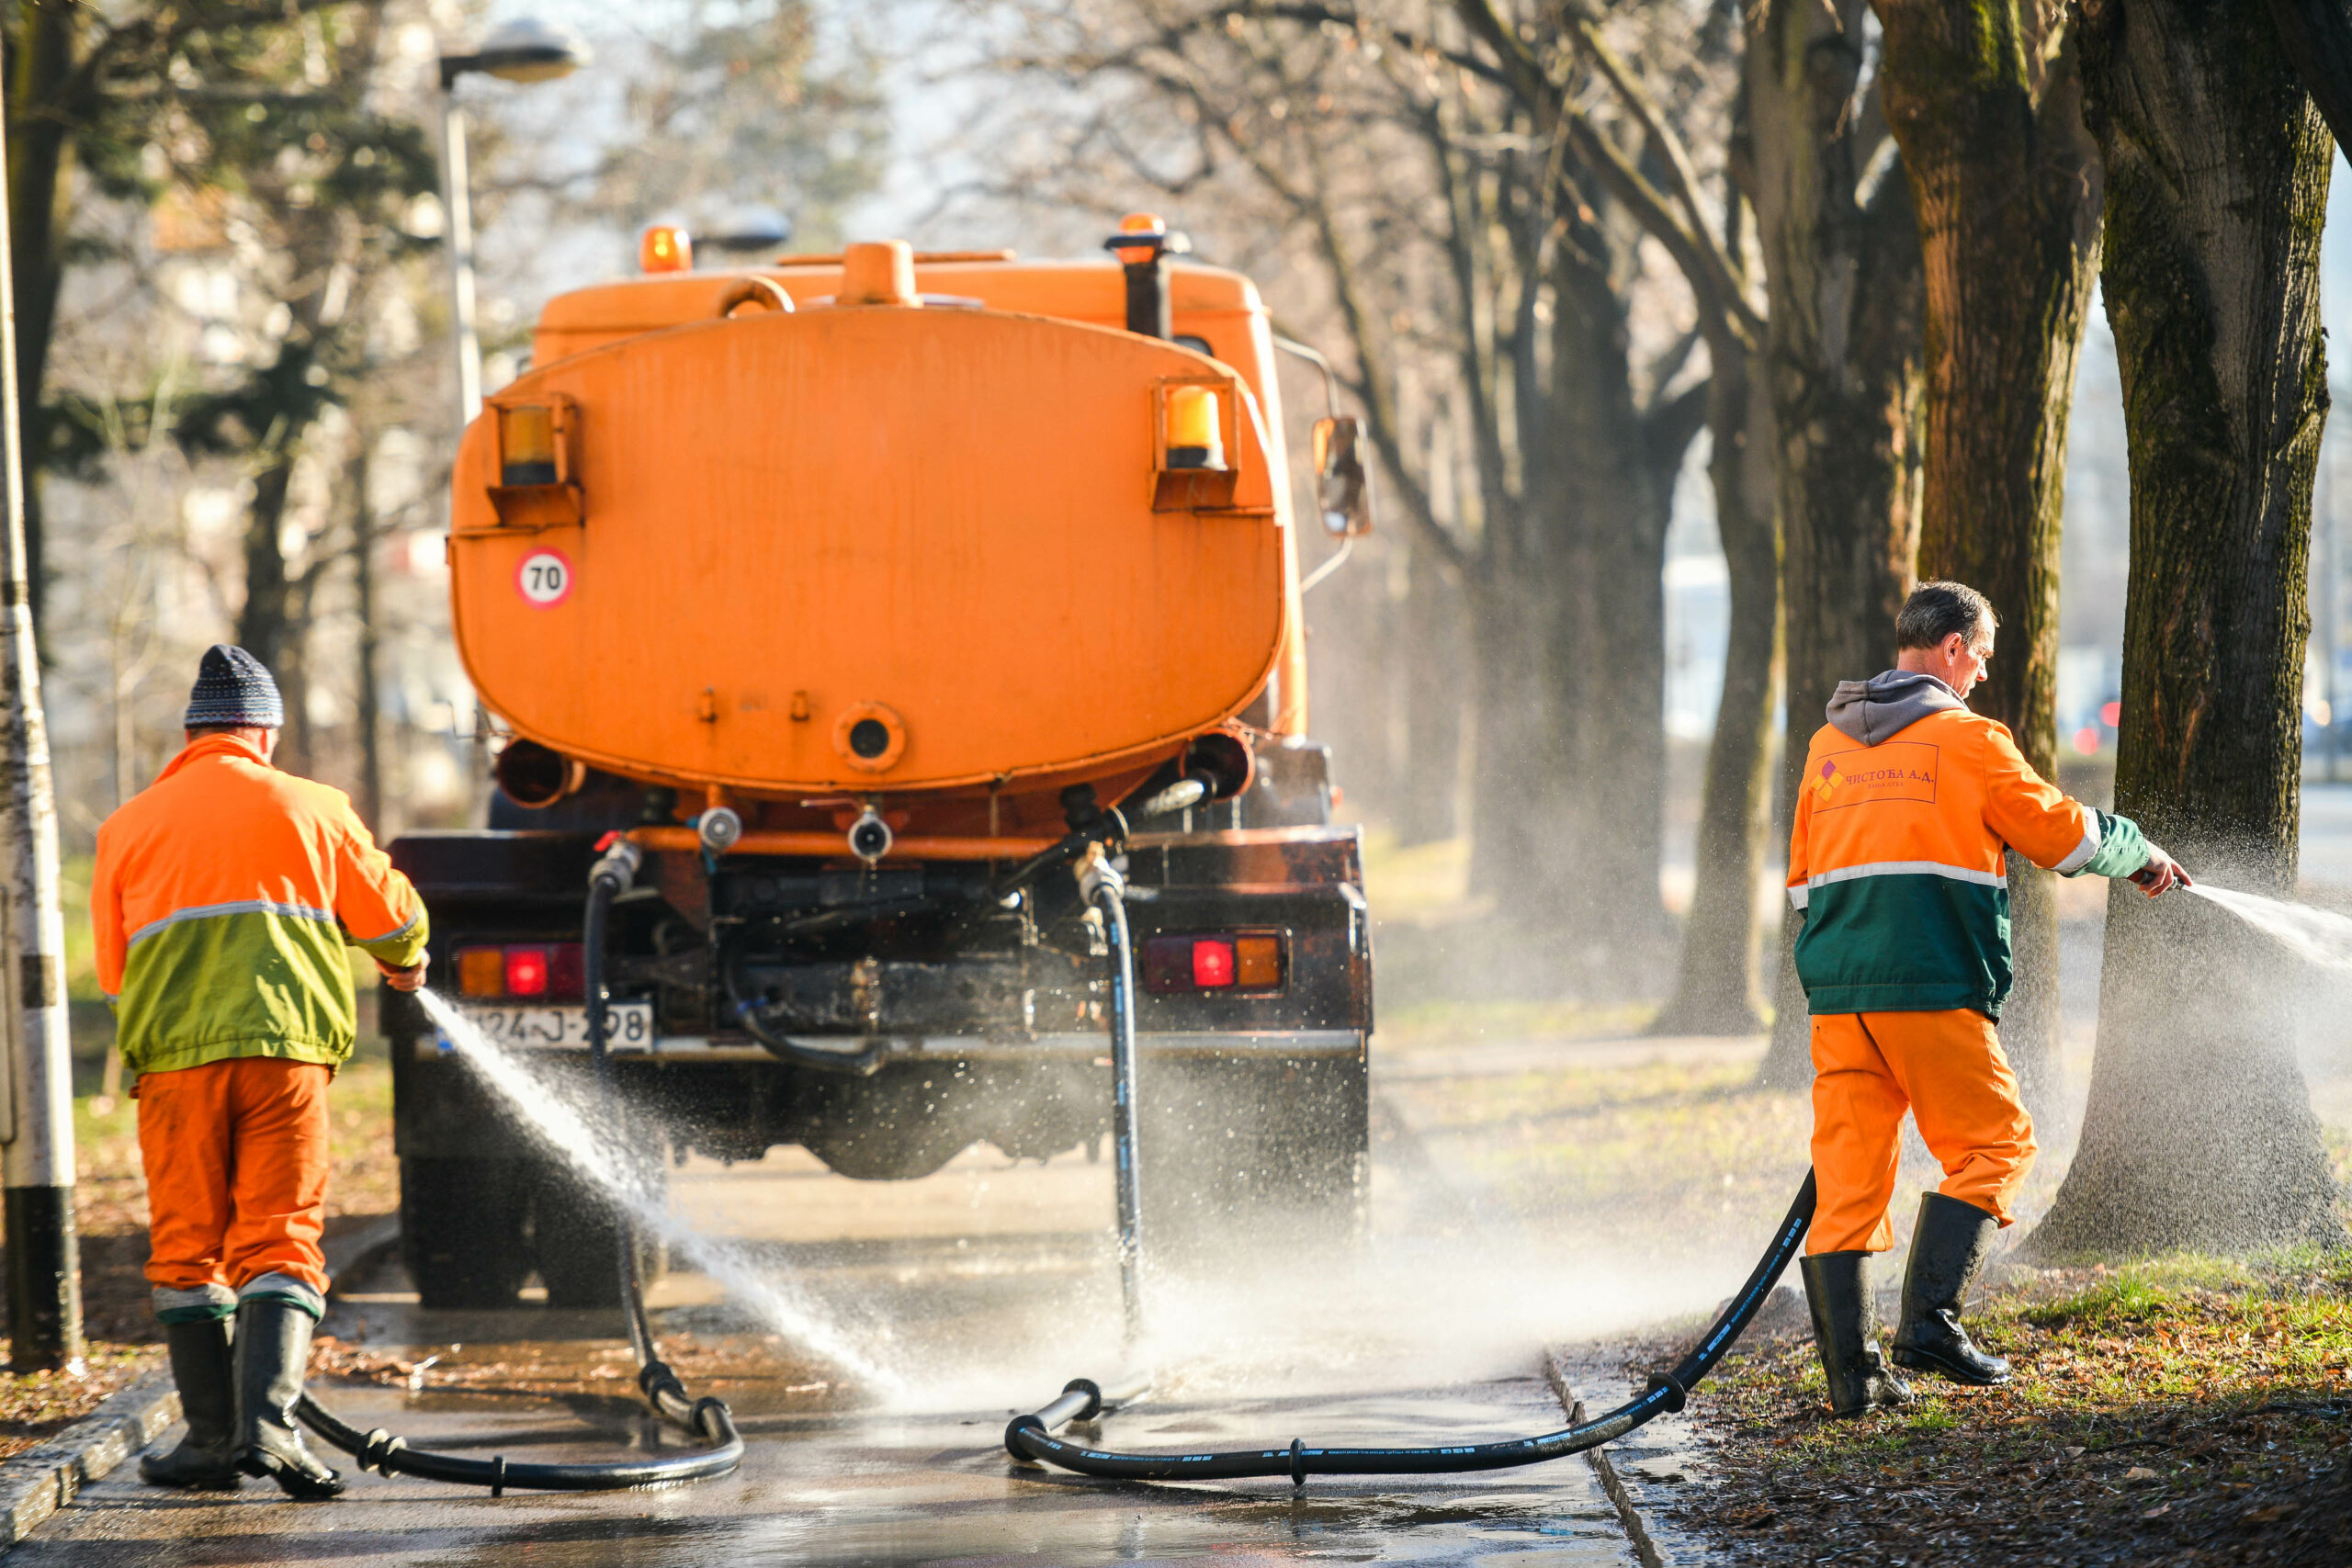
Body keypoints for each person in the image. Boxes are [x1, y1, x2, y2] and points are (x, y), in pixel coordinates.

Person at [1786, 582, 2187, 1416]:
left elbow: (1801, 887)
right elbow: (2061, 832)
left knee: (1849, 1177)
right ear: (1955, 649)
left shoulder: (1828, 747)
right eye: (1984, 660)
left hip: (1838, 996)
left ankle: (1853, 1382)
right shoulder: (1968, 740)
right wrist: (2138, 849)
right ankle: (1929, 1323)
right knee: (1996, 1142)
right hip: (1930, 983)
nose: (1982, 677)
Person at [93, 647, 430, 1497]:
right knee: (281, 1235)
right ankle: (272, 1433)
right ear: (265, 731)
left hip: (174, 1063)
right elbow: (390, 917)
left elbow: (110, 968)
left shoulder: (126, 826)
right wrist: (407, 964)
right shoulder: (315, 807)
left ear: (191, 732)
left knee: (186, 1247)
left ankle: (210, 1443)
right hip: (286, 1052)